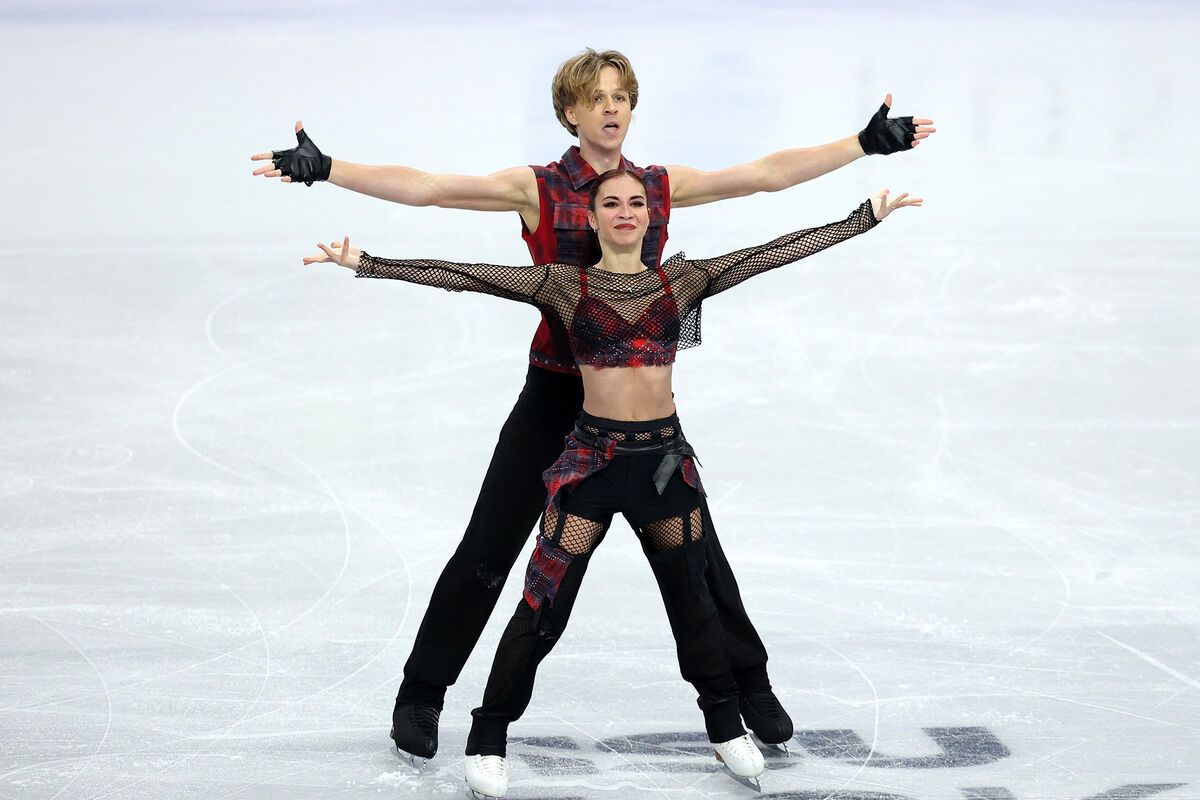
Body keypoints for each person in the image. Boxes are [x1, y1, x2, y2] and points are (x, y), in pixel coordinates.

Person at [252, 48, 935, 765]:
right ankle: (422, 693)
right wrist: (328, 168)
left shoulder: (653, 187)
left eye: (621, 96)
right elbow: (429, 189)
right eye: (596, 97)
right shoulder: (538, 187)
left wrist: (862, 144)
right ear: (570, 112)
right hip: (556, 393)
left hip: (636, 405)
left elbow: (765, 175)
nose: (611, 107)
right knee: (490, 545)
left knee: (700, 554)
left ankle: (751, 685)